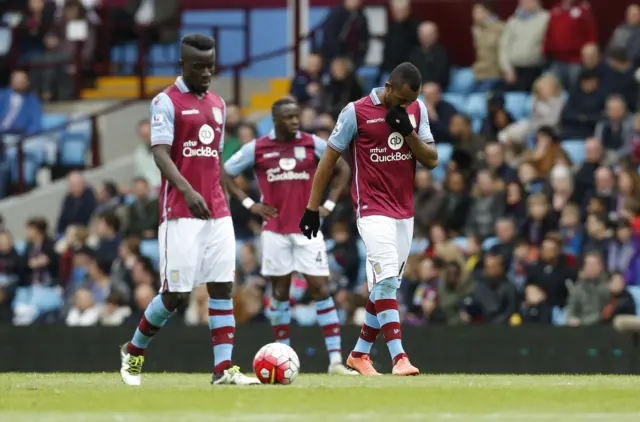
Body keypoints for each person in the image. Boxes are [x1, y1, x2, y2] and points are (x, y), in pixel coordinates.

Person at [119, 34, 259, 386]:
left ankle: (223, 369)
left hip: (217, 211)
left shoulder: (218, 104)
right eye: (199, 67)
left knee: (223, 287)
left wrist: (238, 199)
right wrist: (187, 189)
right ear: (182, 65)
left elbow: (214, 161)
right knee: (176, 294)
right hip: (180, 210)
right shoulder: (166, 102)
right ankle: (134, 353)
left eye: (210, 66)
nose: (207, 73)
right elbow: (160, 153)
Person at [299, 62, 438, 376]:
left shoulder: (416, 110)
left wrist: (408, 130)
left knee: (383, 286)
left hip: (404, 213)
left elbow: (430, 159)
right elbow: (328, 161)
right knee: (387, 280)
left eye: (409, 101)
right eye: (400, 100)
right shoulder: (355, 112)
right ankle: (399, 358)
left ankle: (359, 355)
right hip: (371, 210)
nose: (405, 106)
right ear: (388, 87)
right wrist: (312, 207)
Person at [224, 98, 353, 375]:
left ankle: (335, 361)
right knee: (280, 292)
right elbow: (224, 172)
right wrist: (249, 204)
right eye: (290, 118)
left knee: (320, 288)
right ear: (276, 120)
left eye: (297, 116)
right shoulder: (257, 148)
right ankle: (284, 356)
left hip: (308, 229)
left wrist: (328, 205)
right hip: (275, 231)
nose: (296, 121)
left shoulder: (311, 143)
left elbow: (342, 168)